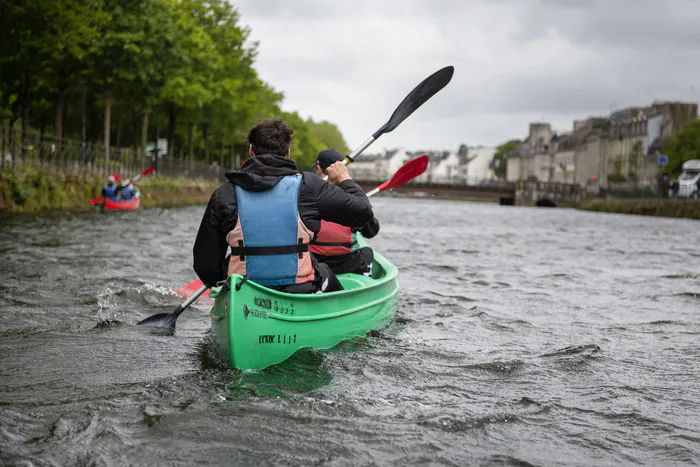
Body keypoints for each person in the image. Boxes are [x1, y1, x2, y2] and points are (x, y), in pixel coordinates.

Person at [193, 118, 374, 294]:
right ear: (288, 153)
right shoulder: (309, 187)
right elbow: (363, 212)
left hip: (242, 290)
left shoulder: (224, 194)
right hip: (300, 290)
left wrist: (223, 284)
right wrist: (344, 179)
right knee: (325, 271)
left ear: (251, 151)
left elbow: (205, 265)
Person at [310, 149, 380, 276]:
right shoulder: (353, 196)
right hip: (347, 263)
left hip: (315, 263)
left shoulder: (307, 191)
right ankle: (366, 278)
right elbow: (371, 232)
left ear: (319, 168)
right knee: (367, 252)